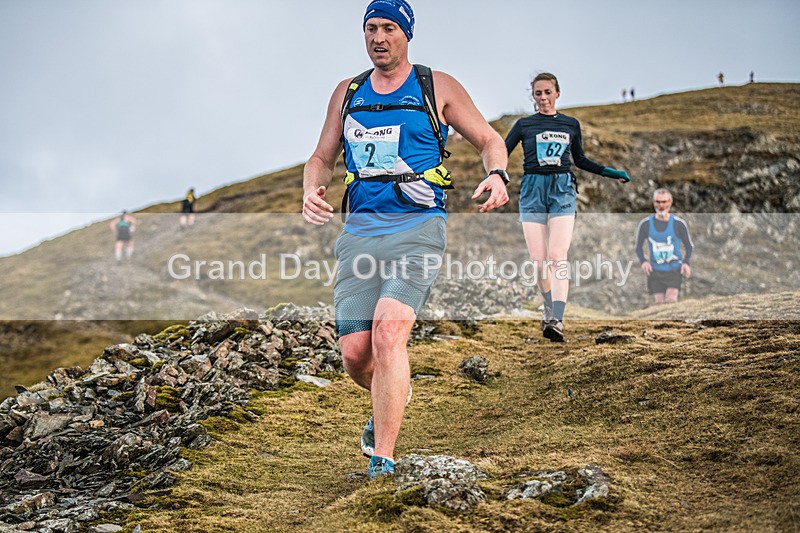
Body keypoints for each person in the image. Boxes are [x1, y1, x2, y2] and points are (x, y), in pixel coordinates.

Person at [302, 0, 509, 479]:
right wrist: (311, 188)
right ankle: (390, 394)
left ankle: (384, 459)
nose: (378, 38)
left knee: (389, 334)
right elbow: (321, 156)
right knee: (356, 355)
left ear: (406, 34)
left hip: (418, 229)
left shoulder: (436, 85)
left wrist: (497, 173)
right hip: (359, 234)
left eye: (388, 28)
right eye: (370, 29)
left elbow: (488, 139)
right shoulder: (348, 91)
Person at [505, 72, 630, 342]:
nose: (543, 98)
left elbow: (581, 160)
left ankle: (556, 319)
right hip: (532, 189)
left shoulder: (570, 124)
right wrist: (494, 175)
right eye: (538, 93)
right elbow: (501, 152)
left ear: (557, 93)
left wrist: (610, 172)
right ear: (533, 96)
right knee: (539, 263)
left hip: (562, 189)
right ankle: (549, 305)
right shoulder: (524, 125)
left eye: (548, 92)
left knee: (557, 255)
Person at [635, 188, 693, 304]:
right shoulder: (645, 224)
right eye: (658, 202)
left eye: (664, 202)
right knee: (659, 304)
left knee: (671, 301)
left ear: (670, 202)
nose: (661, 205)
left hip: (674, 269)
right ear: (653, 202)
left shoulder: (679, 224)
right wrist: (644, 262)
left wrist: (686, 263)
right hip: (655, 270)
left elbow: (689, 246)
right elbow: (638, 247)